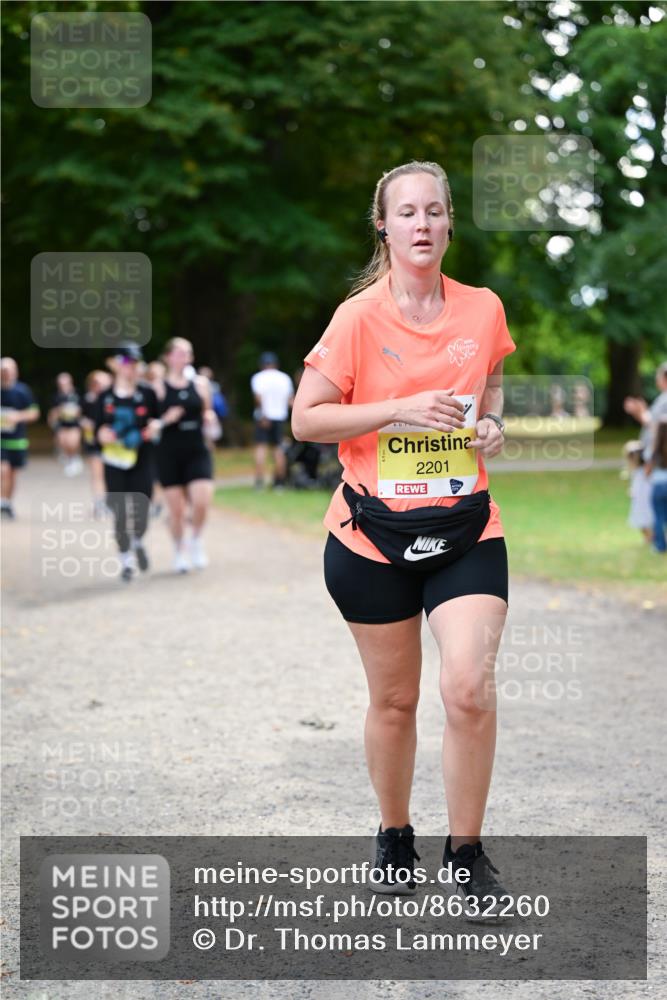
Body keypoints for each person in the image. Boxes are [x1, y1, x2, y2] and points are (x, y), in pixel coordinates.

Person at [292, 161, 516, 913]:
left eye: (433, 211)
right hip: (369, 538)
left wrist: (489, 422)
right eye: (405, 213)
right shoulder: (356, 318)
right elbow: (306, 419)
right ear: (383, 227)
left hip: (465, 528)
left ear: (449, 222)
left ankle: (467, 852)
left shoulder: (483, 308)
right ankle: (393, 833)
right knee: (394, 701)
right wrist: (396, 411)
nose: (420, 225)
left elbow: (489, 388)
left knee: (467, 689)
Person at [95, 343, 174, 582]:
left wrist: (153, 429)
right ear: (116, 364)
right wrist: (102, 434)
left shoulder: (147, 394)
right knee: (119, 512)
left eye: (136, 363)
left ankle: (138, 540)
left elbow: (157, 424)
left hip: (142, 459)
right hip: (114, 462)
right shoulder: (104, 396)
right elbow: (96, 428)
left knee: (141, 509)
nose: (132, 368)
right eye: (128, 363)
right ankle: (126, 561)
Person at [154, 338, 216, 573]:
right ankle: (179, 551)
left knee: (201, 502)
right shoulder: (157, 388)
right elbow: (149, 423)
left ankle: (196, 540)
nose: (184, 357)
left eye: (187, 353)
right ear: (168, 357)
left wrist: (210, 418)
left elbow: (208, 412)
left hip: (197, 449)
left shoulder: (200, 384)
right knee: (177, 510)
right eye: (179, 353)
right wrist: (164, 419)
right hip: (168, 453)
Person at [1, 357, 40, 519]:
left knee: (12, 474)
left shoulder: (22, 391)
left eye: (9, 370)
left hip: (17, 440)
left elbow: (34, 413)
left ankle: (8, 502)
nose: (6, 373)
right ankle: (2, 501)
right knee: (3, 470)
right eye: (3, 370)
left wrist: (18, 416)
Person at [251, 352, 294, 489]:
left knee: (261, 448)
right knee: (278, 449)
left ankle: (259, 482)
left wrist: (263, 414)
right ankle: (279, 483)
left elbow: (258, 397)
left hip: (263, 416)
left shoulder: (258, 377)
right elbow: (290, 400)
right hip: (279, 416)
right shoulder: (284, 378)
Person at [81, 369, 112, 518]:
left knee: (111, 475)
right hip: (94, 442)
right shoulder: (88, 400)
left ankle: (110, 502)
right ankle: (99, 504)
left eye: (103, 382)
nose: (100, 385)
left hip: (112, 443)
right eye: (96, 383)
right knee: (97, 474)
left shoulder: (113, 399)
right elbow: (80, 417)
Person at [624, 361, 667, 460]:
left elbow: (656, 425)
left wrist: (641, 411)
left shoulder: (665, 400)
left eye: (658, 376)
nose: (656, 380)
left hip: (658, 455)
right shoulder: (662, 398)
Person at [48, 372, 83, 477]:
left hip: (74, 424)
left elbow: (83, 409)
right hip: (62, 424)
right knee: (64, 443)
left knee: (73, 442)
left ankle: (74, 458)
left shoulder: (77, 394)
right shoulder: (56, 396)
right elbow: (52, 412)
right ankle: (69, 460)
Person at [623, 440, 653, 544]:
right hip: (640, 497)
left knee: (644, 518)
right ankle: (649, 537)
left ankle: (650, 537)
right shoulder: (638, 471)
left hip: (643, 498)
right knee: (643, 519)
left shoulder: (644, 470)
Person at [647, 419, 667, 554]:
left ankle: (660, 546)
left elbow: (647, 471)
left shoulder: (654, 449)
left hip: (658, 485)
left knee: (659, 517)